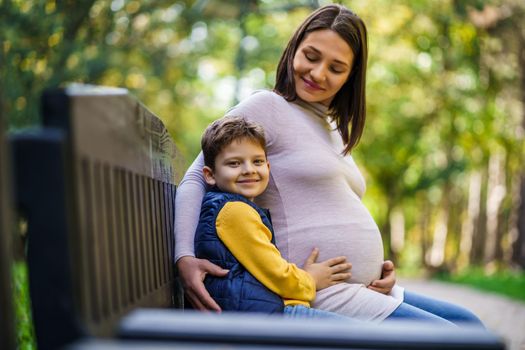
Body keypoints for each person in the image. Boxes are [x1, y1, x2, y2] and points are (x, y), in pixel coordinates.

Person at [175, 4, 483, 326]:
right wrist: (184, 257)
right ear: (294, 49)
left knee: (469, 324)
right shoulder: (267, 107)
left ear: (351, 77)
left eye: (336, 68)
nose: (319, 73)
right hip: (316, 290)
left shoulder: (332, 130)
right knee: (457, 338)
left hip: (363, 287)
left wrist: (377, 266)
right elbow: (198, 175)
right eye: (311, 56)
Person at [195, 116, 357, 321]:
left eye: (257, 161)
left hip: (262, 312)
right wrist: (311, 280)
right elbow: (275, 274)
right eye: (234, 163)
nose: (249, 169)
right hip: (267, 318)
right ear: (210, 175)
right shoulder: (234, 212)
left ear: (268, 168)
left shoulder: (237, 209)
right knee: (368, 338)